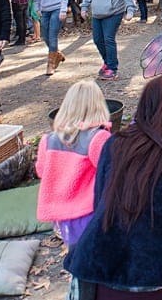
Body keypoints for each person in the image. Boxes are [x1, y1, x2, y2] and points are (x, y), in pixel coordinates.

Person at [64, 75, 162, 300]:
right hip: (161, 282)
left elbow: (99, 204)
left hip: (99, 276)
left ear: (145, 105)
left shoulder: (115, 143)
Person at [37, 80, 112, 247]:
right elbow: (110, 172)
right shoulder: (98, 138)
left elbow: (41, 171)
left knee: (76, 252)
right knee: (92, 256)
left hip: (62, 214)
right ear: (98, 105)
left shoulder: (48, 140)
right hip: (88, 211)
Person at [80, 0, 136, 81]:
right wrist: (84, 6)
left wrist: (130, 10)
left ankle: (112, 68)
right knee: (97, 39)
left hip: (114, 12)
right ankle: (107, 61)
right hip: (97, 12)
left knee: (108, 39)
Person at [34, 0, 69, 76]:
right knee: (45, 35)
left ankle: (51, 64)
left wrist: (63, 9)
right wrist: (37, 8)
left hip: (56, 8)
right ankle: (57, 54)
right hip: (44, 9)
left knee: (52, 34)